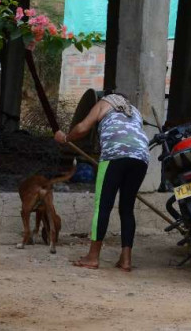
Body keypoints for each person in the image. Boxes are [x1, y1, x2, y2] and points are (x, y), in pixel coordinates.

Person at [54, 92, 149, 271]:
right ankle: (126, 260)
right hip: (141, 156)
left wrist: (66, 138)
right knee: (127, 209)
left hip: (114, 155)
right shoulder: (133, 110)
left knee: (103, 206)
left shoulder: (104, 103)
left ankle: (93, 257)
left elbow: (82, 128)